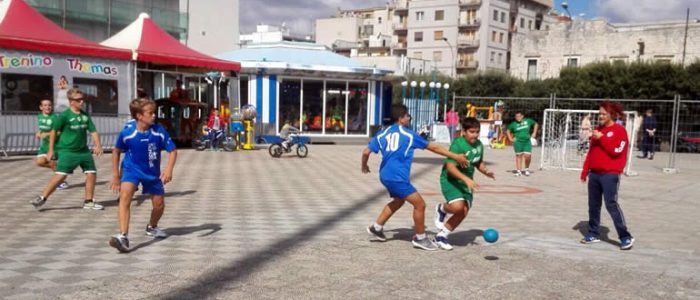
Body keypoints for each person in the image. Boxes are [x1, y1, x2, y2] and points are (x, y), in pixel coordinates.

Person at [361, 104, 468, 251]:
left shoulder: (382, 133)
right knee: (420, 205)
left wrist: (364, 166)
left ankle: (376, 227)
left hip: (385, 175)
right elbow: (434, 147)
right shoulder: (408, 134)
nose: (409, 118)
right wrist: (455, 156)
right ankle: (420, 238)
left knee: (398, 201)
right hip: (397, 177)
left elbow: (366, 152)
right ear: (401, 118)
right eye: (407, 116)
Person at [109, 98, 178, 253]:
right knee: (125, 197)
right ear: (139, 116)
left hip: (152, 173)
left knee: (159, 205)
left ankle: (152, 227)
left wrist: (168, 170)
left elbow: (172, 151)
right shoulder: (128, 132)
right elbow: (116, 151)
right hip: (131, 169)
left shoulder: (159, 131)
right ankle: (123, 236)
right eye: (150, 113)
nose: (154, 116)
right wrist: (115, 175)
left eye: (154, 112)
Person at [30, 88, 104, 210]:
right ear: (71, 102)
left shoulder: (85, 115)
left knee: (91, 173)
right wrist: (50, 150)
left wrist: (98, 145)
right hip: (68, 151)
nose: (81, 102)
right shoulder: (64, 116)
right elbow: (53, 132)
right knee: (61, 175)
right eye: (78, 100)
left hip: (84, 151)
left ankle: (89, 201)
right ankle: (42, 198)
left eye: (82, 99)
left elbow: (93, 131)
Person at [434, 117, 495, 250]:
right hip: (451, 179)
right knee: (457, 207)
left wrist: (486, 171)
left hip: (466, 181)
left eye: (477, 132)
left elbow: (478, 162)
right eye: (472, 132)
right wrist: (467, 180)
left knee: (463, 211)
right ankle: (442, 208)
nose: (475, 135)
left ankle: (441, 236)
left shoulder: (479, 145)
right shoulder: (458, 144)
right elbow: (450, 168)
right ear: (464, 131)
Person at [580, 101, 634, 250]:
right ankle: (593, 233)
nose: (601, 116)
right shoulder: (598, 130)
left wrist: (602, 138)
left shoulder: (619, 131)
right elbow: (591, 153)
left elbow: (616, 151)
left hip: (610, 175)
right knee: (593, 205)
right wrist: (585, 171)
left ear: (612, 114)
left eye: (604, 114)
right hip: (595, 174)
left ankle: (625, 236)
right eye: (599, 114)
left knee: (611, 204)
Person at [35, 99, 69, 190]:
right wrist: (38, 133)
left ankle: (61, 181)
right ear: (41, 107)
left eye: (49, 105)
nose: (48, 107)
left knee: (52, 164)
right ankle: (58, 170)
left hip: (55, 145)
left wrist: (46, 134)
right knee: (40, 162)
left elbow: (59, 132)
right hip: (44, 145)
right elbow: (42, 129)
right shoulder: (39, 116)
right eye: (45, 105)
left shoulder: (55, 118)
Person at [506, 112, 539, 176]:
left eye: (519, 116)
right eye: (516, 116)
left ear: (522, 116)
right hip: (518, 142)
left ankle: (526, 169)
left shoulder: (528, 121)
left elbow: (536, 124)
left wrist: (534, 133)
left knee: (528, 156)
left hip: (527, 141)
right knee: (519, 156)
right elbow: (508, 131)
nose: (518, 118)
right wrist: (510, 139)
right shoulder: (513, 124)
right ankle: (519, 171)